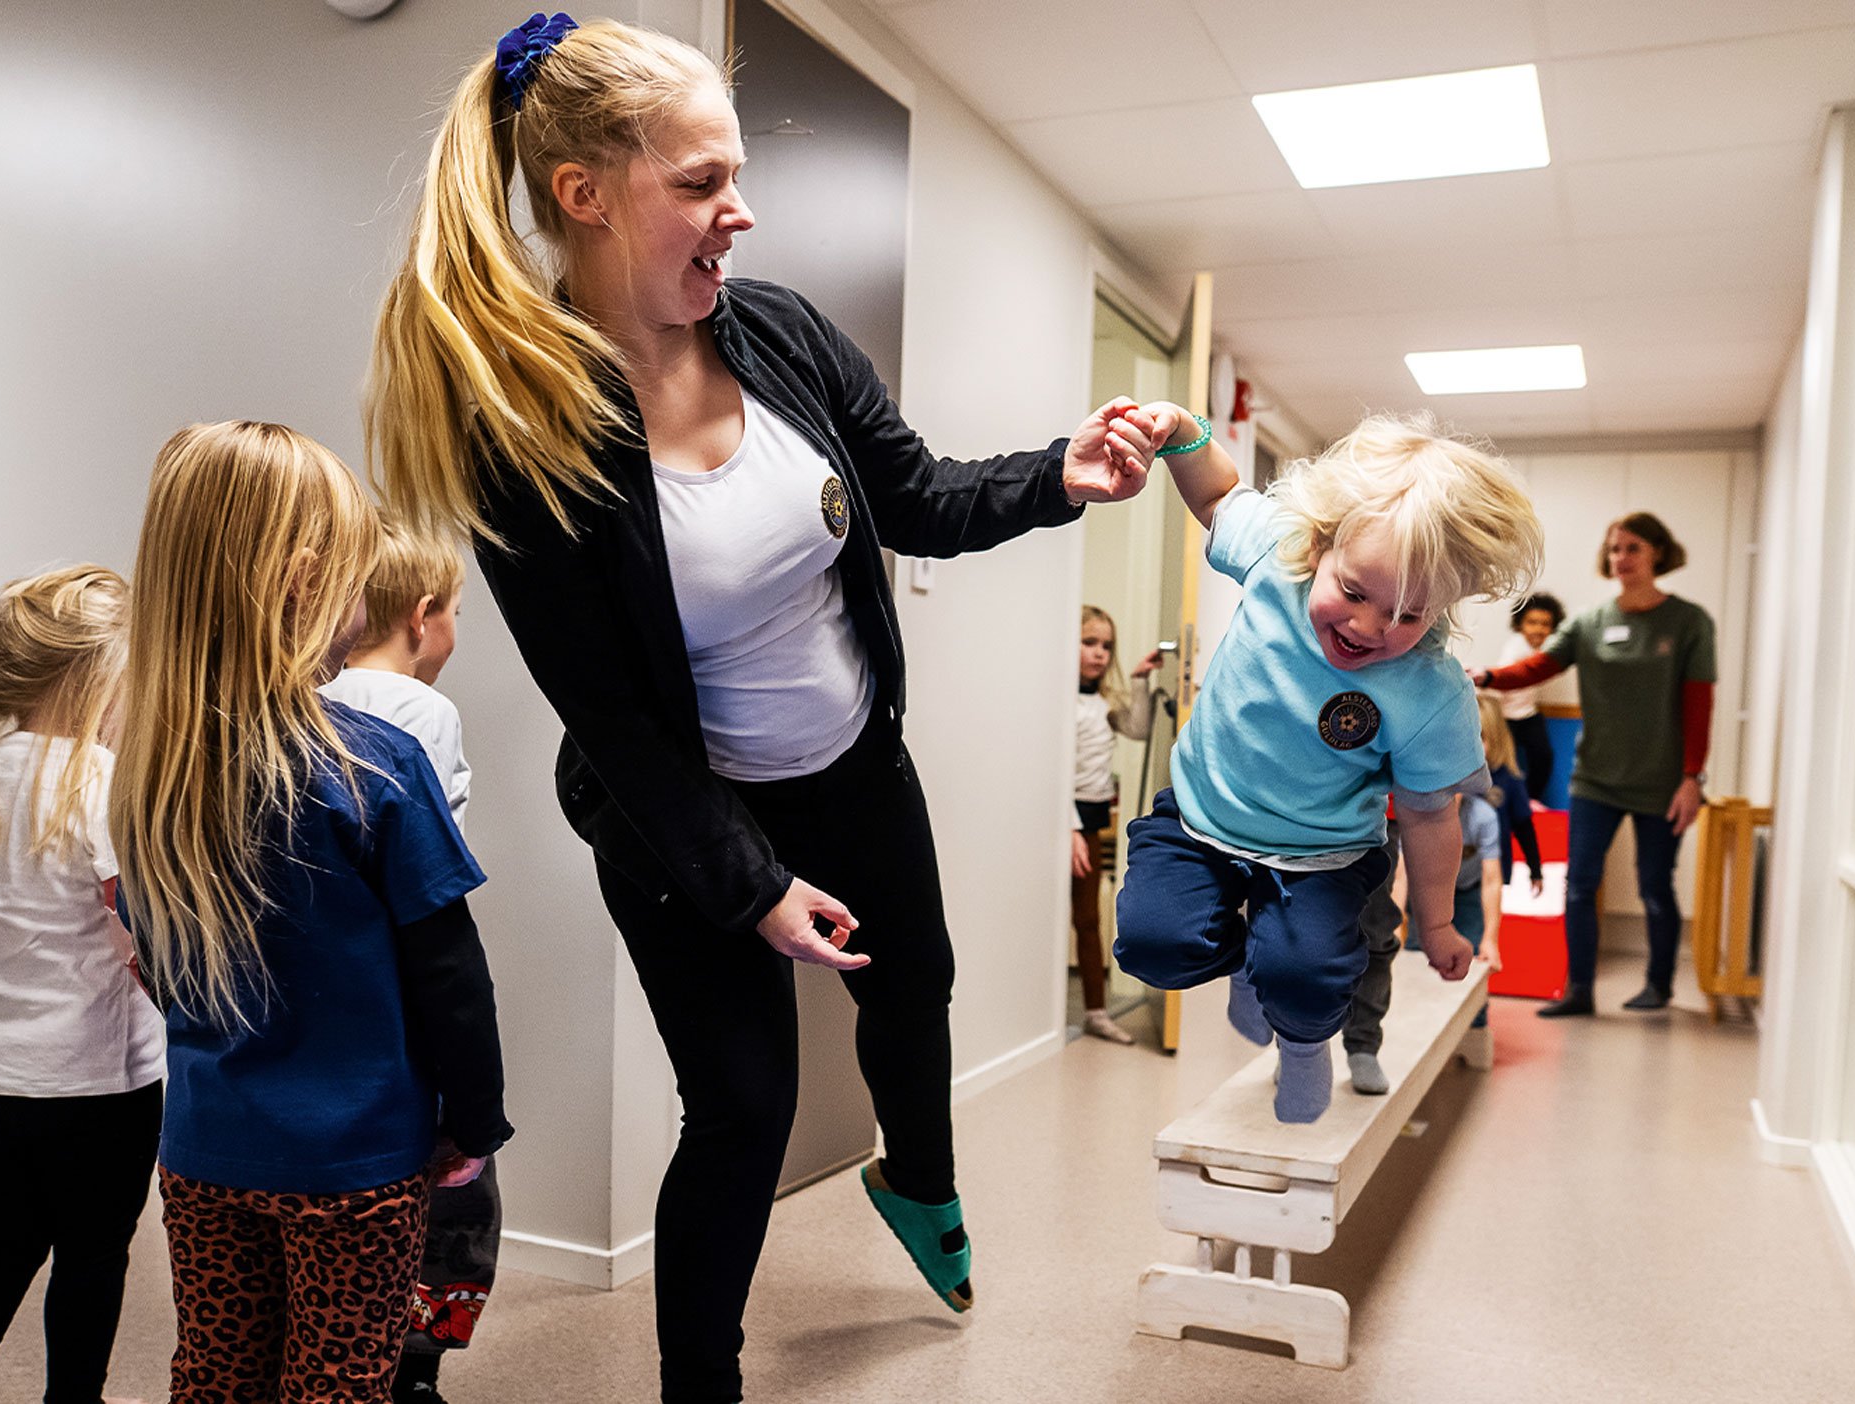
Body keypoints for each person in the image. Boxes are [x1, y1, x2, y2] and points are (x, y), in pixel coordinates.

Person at [363, 16, 1157, 1399]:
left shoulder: (777, 330)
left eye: (737, 175)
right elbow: (610, 717)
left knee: (919, 985)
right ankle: (701, 1384)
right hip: (682, 817)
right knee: (742, 1110)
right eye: (702, 181)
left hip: (852, 766)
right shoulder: (523, 429)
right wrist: (753, 888)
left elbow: (912, 494)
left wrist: (1058, 474)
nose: (740, 210)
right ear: (585, 195)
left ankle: (916, 1180)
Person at [112, 421, 511, 1404]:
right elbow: (450, 974)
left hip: (203, 1149)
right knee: (337, 1381)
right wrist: (475, 1120)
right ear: (301, 583)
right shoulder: (378, 764)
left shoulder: (153, 769)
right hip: (356, 1164)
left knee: (216, 1373)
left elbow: (157, 963)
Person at [1112, 408, 1543, 1124]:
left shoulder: (1431, 691)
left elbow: (1434, 816)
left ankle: (1306, 1044)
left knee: (1311, 977)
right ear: (1319, 548)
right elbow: (1218, 495)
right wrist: (1182, 433)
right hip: (1199, 818)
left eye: (1409, 615)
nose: (1371, 628)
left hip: (1324, 856)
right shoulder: (1277, 553)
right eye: (1353, 592)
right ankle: (1252, 966)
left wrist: (1435, 925)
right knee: (1156, 946)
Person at [0, 565, 160, 1404]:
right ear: (101, 681)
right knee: (93, 1251)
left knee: (5, 1236)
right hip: (91, 1080)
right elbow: (144, 934)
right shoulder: (104, 784)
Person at [319, 523, 497, 1403]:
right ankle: (415, 1364)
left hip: (332, 985)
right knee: (455, 1184)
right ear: (424, 617)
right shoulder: (427, 713)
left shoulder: (304, 695)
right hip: (412, 977)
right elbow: (434, 859)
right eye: (458, 612)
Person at [1476, 511, 1716, 1017]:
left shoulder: (1689, 623)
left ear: (1657, 553)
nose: (1620, 558)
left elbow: (1699, 707)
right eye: (1613, 550)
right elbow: (1539, 665)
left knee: (1655, 886)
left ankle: (1659, 985)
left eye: (1631, 548)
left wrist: (1692, 778)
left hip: (1662, 782)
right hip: (1595, 779)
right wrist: (1489, 676)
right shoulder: (1590, 623)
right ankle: (1579, 990)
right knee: (1580, 884)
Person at [1342, 785, 1503, 1096]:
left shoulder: (1481, 816)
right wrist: (1395, 926)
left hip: (1465, 889)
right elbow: (1402, 878)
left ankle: (1472, 1032)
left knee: (1462, 963)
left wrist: (1490, 940)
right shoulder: (1419, 811)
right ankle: (1300, 1044)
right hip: (1415, 878)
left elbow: (1493, 881)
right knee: (1386, 947)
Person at [1071, 605, 1157, 1045]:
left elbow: (1139, 728)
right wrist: (1066, 829)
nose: (1100, 653)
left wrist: (1139, 678)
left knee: (1088, 919)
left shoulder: (1103, 703)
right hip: (1059, 820)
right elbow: (1052, 767)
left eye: (1107, 646)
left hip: (1091, 818)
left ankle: (1095, 1012)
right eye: (1089, 643)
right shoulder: (1059, 702)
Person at [1497, 594, 1563, 800]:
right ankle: (1507, 803)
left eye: (1545, 624)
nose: (1538, 629)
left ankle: (1530, 799)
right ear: (1520, 625)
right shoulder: (1516, 648)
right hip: (1506, 716)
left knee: (1543, 757)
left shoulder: (1541, 649)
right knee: (1503, 764)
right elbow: (1501, 679)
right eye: (1532, 623)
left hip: (1527, 714)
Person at [1478, 692, 1545, 896]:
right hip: (1456, 871)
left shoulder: (1509, 781)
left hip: (1493, 871)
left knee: (1485, 923)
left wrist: (1535, 870)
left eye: (1480, 738)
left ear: (1495, 739)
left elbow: (1524, 827)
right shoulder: (1453, 780)